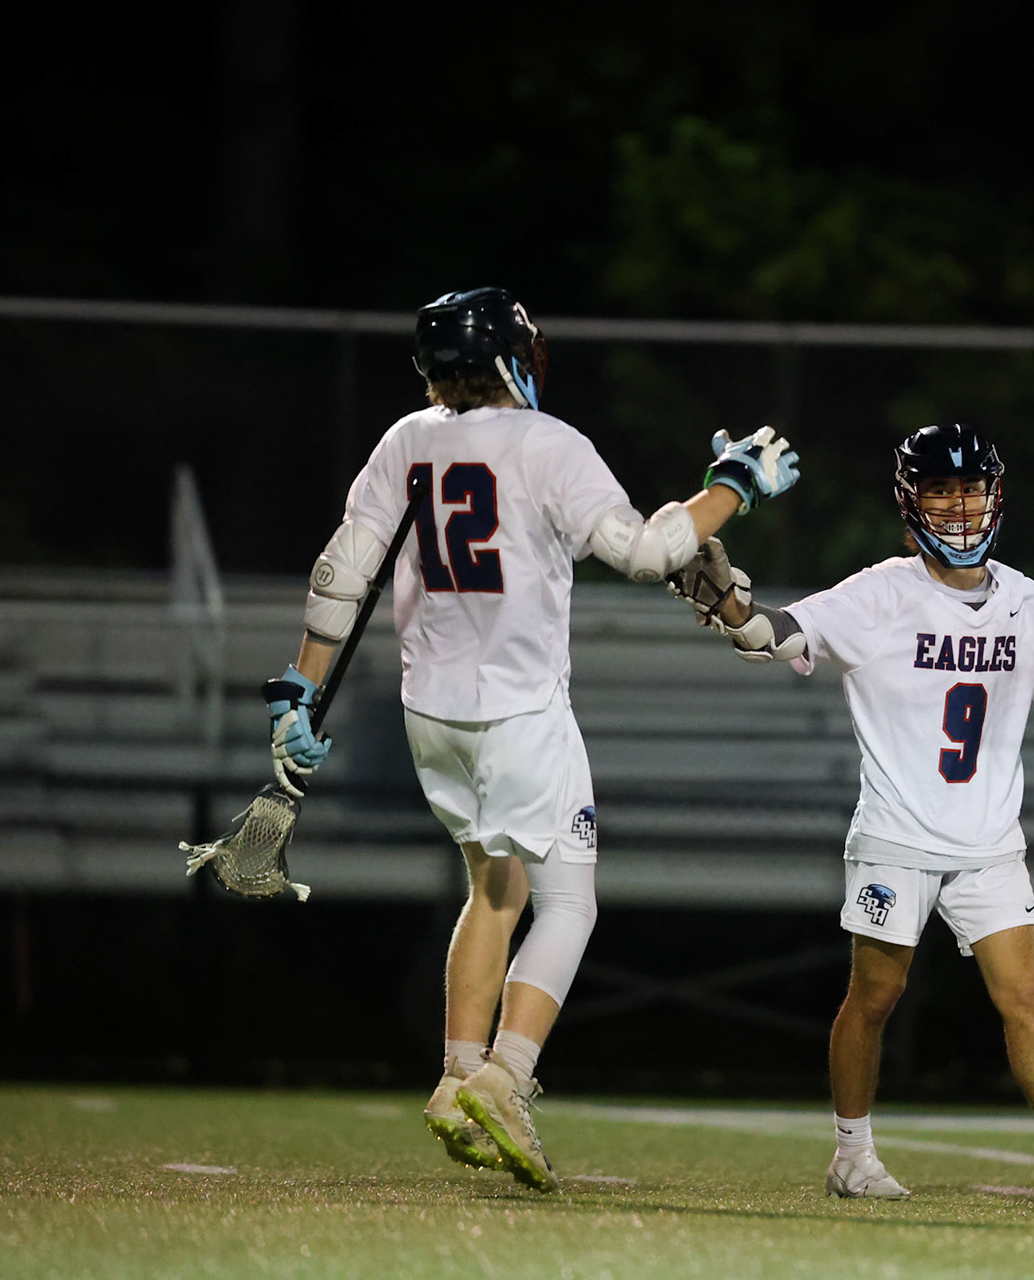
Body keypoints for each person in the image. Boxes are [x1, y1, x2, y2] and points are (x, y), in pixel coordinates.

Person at [263, 287, 800, 1193]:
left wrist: (297, 695)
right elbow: (645, 551)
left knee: (494, 888)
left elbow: (339, 576)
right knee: (570, 902)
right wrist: (733, 487)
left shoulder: (407, 440)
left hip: (429, 713)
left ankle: (455, 1076)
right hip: (518, 710)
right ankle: (507, 1077)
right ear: (513, 358)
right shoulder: (549, 445)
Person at [665, 423, 1034, 1205]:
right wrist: (731, 605)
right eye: (942, 490)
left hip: (988, 840)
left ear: (996, 494)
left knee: (1024, 993)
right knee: (874, 998)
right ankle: (852, 1153)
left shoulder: (1026, 601)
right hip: (897, 833)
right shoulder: (881, 592)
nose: (959, 506)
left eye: (971, 488)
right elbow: (775, 634)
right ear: (912, 501)